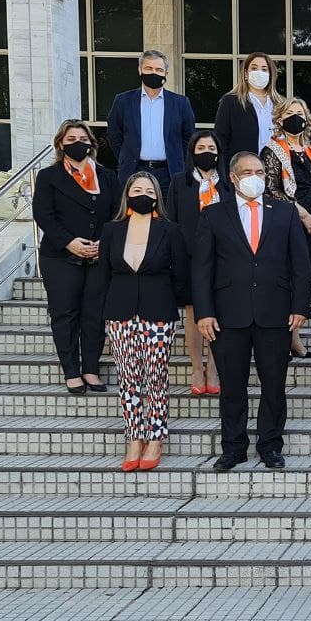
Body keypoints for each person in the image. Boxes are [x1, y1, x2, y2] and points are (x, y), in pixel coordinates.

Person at [193, 151, 310, 472]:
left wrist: (300, 306)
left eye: (259, 171)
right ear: (232, 177)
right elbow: (202, 268)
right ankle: (234, 448)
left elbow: (300, 264)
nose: (254, 176)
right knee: (233, 385)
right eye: (246, 171)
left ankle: (270, 445)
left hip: (275, 313)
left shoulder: (285, 212)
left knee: (274, 383)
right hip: (229, 315)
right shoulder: (214, 214)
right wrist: (204, 312)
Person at [100, 172, 188, 472]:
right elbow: (102, 275)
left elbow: (181, 276)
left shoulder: (170, 230)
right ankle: (133, 438)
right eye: (137, 189)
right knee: (128, 379)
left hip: (159, 313)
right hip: (120, 312)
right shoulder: (112, 230)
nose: (143, 193)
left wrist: (168, 301)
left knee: (156, 377)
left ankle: (156, 437)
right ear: (127, 194)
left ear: (157, 196)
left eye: (149, 190)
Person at [33, 120, 121, 394]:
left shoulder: (107, 177)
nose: (77, 143)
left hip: (98, 256)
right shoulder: (49, 176)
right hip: (60, 256)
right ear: (61, 144)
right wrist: (70, 242)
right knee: (65, 313)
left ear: (92, 144)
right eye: (71, 138)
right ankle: (71, 371)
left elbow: (117, 213)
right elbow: (43, 214)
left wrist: (102, 244)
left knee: (94, 314)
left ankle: (91, 369)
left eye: (83, 138)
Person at [261, 97, 311, 360]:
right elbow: (271, 190)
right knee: (285, 281)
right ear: (279, 119)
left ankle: (294, 336)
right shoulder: (272, 150)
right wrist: (303, 215)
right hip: (287, 224)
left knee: (302, 279)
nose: (296, 118)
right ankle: (288, 339)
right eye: (290, 113)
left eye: (300, 113)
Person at [166, 131, 230, 394]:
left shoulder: (228, 184)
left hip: (224, 257)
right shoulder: (180, 183)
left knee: (221, 313)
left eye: (211, 147)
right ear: (192, 152)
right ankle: (196, 367)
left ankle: (214, 368)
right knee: (193, 314)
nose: (206, 151)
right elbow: (171, 221)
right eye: (201, 147)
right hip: (190, 257)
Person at [106, 50, 195, 194]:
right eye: (149, 68)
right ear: (140, 70)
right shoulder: (123, 101)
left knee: (168, 215)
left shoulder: (180, 103)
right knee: (134, 214)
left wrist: (177, 159)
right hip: (134, 171)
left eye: (159, 69)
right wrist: (126, 156)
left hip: (170, 173)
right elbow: (114, 135)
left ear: (166, 73)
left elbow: (189, 138)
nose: (154, 73)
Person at [213, 52, 283, 166]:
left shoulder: (281, 104)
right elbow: (220, 141)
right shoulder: (231, 102)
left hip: (275, 172)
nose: (259, 72)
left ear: (270, 75)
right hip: (242, 172)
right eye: (254, 68)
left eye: (264, 69)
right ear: (246, 73)